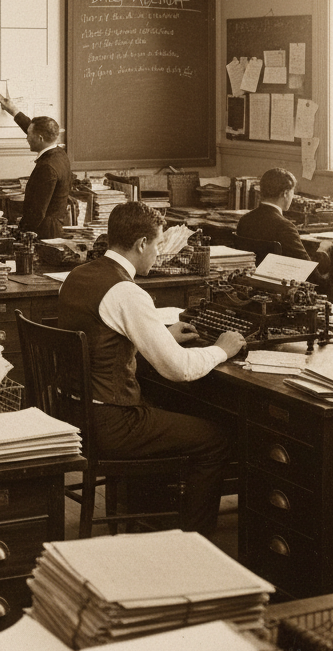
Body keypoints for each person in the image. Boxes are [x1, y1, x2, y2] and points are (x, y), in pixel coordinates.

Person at [57, 201, 246, 536]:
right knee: (215, 438)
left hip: (71, 413)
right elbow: (180, 370)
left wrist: (162, 335)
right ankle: (194, 541)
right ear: (142, 243)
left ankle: (153, 518)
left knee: (169, 407)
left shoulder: (78, 276)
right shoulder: (126, 292)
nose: (158, 254)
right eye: (158, 244)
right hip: (110, 424)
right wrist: (222, 349)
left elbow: (103, 340)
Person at [0, 100, 72, 238]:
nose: (27, 138)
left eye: (28, 135)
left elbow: (37, 212)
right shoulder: (59, 153)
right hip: (52, 227)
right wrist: (14, 111)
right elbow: (32, 128)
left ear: (40, 138)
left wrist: (20, 231)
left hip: (44, 233)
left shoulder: (47, 167)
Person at [235, 167, 310, 261]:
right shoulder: (285, 227)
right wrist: (322, 250)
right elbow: (308, 267)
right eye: (292, 192)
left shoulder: (244, 220)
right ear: (285, 193)